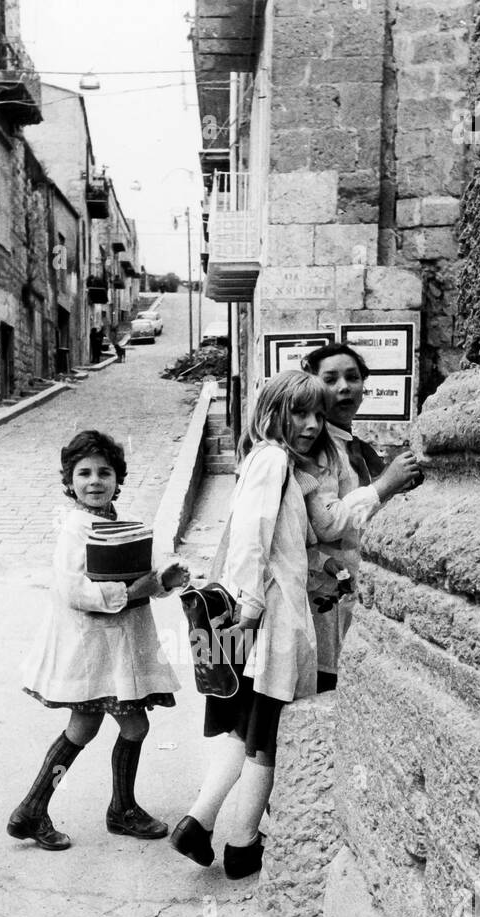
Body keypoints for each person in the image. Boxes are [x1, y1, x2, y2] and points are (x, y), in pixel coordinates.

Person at [170, 371, 325, 880]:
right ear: (273, 410)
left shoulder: (269, 459)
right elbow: (250, 536)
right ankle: (241, 845)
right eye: (300, 412)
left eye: (317, 415)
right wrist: (253, 606)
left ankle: (202, 824)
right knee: (266, 733)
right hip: (269, 617)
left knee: (249, 726)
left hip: (266, 613)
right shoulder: (273, 458)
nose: (311, 424)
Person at [9, 429, 189, 850]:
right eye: (83, 473)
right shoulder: (76, 528)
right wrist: (130, 593)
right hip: (93, 649)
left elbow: (148, 571)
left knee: (84, 727)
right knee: (130, 724)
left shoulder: (118, 523)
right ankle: (117, 810)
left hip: (112, 651)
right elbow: (71, 591)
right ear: (69, 481)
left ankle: (34, 809)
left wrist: (165, 579)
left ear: (118, 479)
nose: (94, 481)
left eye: (104, 472)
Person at [302, 342, 423, 690]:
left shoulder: (349, 445)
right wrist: (385, 485)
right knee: (327, 679)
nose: (344, 387)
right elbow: (327, 523)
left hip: (348, 584)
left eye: (352, 378)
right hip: (323, 589)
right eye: (331, 379)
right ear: (312, 386)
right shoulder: (318, 448)